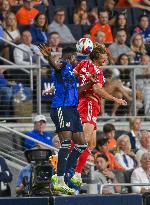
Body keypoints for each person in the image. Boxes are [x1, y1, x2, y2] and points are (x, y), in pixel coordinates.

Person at [39, 45, 89, 195]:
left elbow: (77, 90)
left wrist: (90, 83)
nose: (77, 60)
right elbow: (54, 64)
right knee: (66, 144)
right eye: (75, 57)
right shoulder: (63, 65)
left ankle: (66, 172)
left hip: (72, 110)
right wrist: (48, 56)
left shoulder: (73, 73)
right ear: (71, 57)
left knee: (82, 145)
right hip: (61, 108)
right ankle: (60, 180)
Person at [73, 43, 127, 178]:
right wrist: (116, 99)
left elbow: (72, 76)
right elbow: (97, 89)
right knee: (84, 140)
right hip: (89, 103)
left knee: (91, 144)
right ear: (97, 55)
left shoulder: (83, 63)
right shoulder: (97, 70)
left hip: (86, 103)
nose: (107, 57)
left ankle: (77, 172)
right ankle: (65, 161)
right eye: (104, 54)